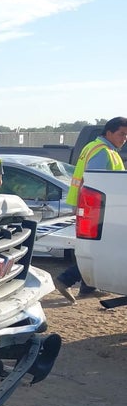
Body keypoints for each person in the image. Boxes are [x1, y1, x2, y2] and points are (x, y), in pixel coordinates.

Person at [53, 116, 127, 304]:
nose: (124, 138)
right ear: (108, 132)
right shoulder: (103, 152)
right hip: (99, 208)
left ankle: (87, 288)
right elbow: (96, 183)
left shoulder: (93, 147)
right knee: (102, 248)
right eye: (122, 134)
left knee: (96, 247)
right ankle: (65, 279)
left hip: (90, 206)